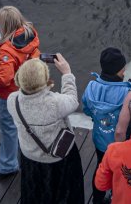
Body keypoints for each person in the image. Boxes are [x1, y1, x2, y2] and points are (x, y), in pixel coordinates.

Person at [11, 57, 84, 203]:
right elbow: (71, 99)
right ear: (44, 80)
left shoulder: (13, 101)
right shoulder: (54, 103)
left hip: (30, 159)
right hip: (60, 159)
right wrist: (67, 73)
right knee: (66, 195)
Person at [0, 6, 41, 181]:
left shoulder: (6, 49)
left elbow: (5, 78)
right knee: (25, 125)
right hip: (28, 89)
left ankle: (7, 165)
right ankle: (28, 156)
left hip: (10, 95)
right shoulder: (30, 34)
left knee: (8, 129)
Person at [83, 47, 131, 204]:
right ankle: (114, 197)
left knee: (100, 168)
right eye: (123, 67)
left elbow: (87, 109)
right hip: (119, 143)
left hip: (100, 140)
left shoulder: (91, 87)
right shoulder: (127, 93)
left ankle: (97, 200)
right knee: (119, 172)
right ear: (119, 70)